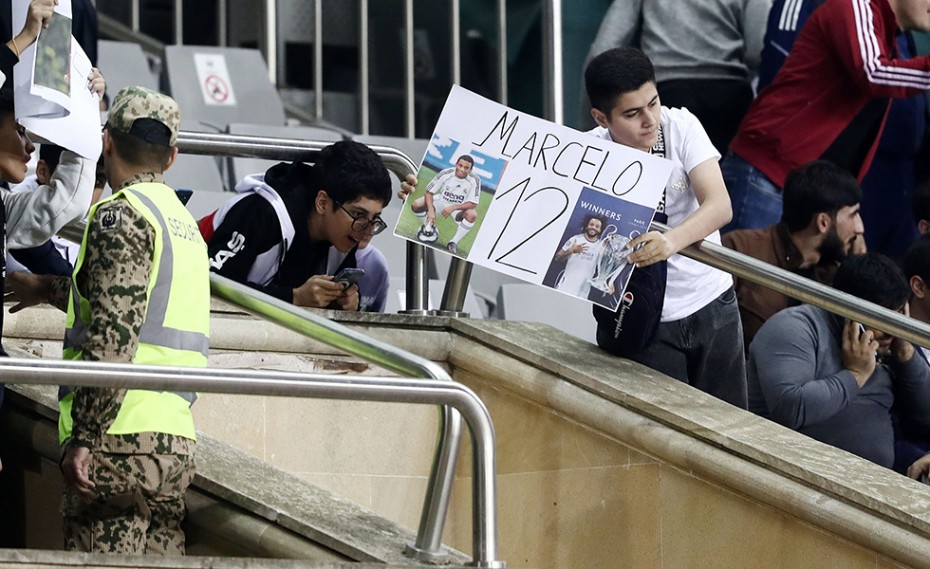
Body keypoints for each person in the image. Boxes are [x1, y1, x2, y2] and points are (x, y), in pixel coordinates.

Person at [7, 86, 210, 554]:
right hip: (174, 443)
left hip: (118, 440)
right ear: (172, 157)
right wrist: (43, 287)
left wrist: (84, 437)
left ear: (107, 143)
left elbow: (114, 333)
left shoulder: (122, 216)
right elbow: (132, 300)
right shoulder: (182, 224)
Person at [585, 47, 747, 408]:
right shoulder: (587, 153)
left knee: (733, 429)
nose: (650, 120)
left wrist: (670, 242)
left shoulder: (682, 126)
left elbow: (720, 206)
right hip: (642, 313)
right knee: (665, 439)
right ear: (601, 118)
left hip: (711, 299)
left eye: (654, 103)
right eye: (632, 113)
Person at [722, 0, 930, 233]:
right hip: (769, 175)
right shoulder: (855, 4)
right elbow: (872, 72)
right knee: (733, 269)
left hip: (806, 193)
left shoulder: (885, 33)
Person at [0, 0, 102, 420]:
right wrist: (22, 41)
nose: (30, 146)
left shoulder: (6, 209)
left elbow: (69, 197)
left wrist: (86, 107)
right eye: (21, 130)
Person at [748, 253, 930, 469]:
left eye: (899, 314)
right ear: (849, 308)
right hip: (790, 471)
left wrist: (907, 356)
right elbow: (791, 408)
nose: (891, 330)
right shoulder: (796, 327)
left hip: (875, 481)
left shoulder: (892, 345)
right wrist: (855, 375)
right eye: (882, 318)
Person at [200, 140, 393, 311]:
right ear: (323, 203)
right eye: (359, 215)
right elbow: (209, 284)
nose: (368, 231)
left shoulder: (344, 236)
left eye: (375, 218)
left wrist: (345, 303)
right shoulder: (261, 212)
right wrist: (293, 298)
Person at [581, 0, 771, 154]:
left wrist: (595, 126)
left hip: (664, 93)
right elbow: (759, 50)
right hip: (728, 96)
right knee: (721, 188)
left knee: (658, 189)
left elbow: (606, 44)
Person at [722, 160, 865, 348]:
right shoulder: (740, 248)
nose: (859, 228)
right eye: (852, 215)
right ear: (823, 223)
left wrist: (859, 268)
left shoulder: (837, 274)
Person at [6, 144, 107, 276]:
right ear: (43, 171)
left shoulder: (101, 226)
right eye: (76, 181)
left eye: (98, 182)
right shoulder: (11, 213)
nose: (86, 192)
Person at [410, 154, 481, 255]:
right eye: (460, 165)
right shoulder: (446, 173)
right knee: (416, 204)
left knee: (472, 215)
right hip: (440, 201)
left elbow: (473, 203)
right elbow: (429, 192)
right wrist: (431, 211)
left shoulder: (474, 180)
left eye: (466, 168)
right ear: (456, 164)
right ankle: (429, 225)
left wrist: (453, 207)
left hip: (458, 208)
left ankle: (453, 242)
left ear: (470, 170)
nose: (462, 169)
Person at [553, 215, 605, 297]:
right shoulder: (575, 239)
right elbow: (557, 258)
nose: (593, 227)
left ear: (600, 230)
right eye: (591, 224)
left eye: (597, 226)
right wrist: (571, 251)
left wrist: (609, 282)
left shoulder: (601, 246)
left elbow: (604, 269)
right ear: (587, 225)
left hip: (583, 290)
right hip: (566, 286)